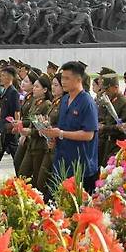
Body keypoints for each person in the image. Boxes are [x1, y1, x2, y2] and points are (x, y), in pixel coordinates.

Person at [42, 61, 99, 193]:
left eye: (67, 78)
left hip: (80, 165)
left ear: (79, 79)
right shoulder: (64, 99)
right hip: (62, 162)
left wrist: (61, 133)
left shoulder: (87, 102)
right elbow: (63, 127)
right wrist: (53, 138)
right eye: (62, 78)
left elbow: (88, 134)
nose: (63, 82)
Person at [18, 76, 53, 186]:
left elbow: (43, 127)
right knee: (22, 174)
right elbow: (31, 121)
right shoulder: (35, 102)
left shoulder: (46, 104)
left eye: (37, 87)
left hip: (40, 145)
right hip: (31, 144)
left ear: (45, 90)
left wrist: (30, 132)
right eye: (34, 86)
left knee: (38, 177)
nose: (34, 89)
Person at [97, 73, 126, 167]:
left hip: (116, 145)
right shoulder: (108, 100)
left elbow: (124, 129)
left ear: (116, 87)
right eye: (103, 89)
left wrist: (105, 128)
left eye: (107, 89)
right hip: (106, 144)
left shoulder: (124, 103)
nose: (105, 92)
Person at [0, 66, 20, 166]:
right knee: (9, 152)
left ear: (10, 78)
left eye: (3, 76)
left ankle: (21, 175)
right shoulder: (5, 91)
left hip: (10, 128)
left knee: (13, 153)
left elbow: (17, 111)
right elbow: (2, 109)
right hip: (4, 127)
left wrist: (16, 126)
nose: (1, 78)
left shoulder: (13, 92)